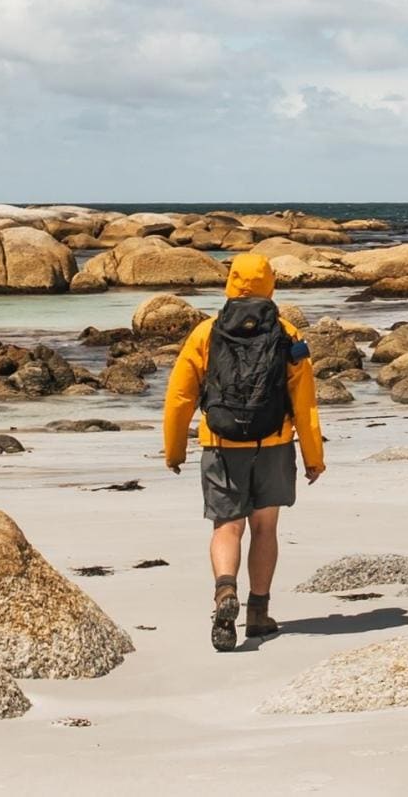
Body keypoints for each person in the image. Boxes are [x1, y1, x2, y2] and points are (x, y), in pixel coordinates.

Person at [163, 252, 325, 651]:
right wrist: (313, 456)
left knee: (227, 526)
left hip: (220, 445)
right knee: (265, 528)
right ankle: (258, 612)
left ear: (230, 282)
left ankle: (224, 592)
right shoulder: (287, 334)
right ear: (271, 283)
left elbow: (180, 396)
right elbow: (303, 401)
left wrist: (175, 449)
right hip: (272, 443)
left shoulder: (206, 332)